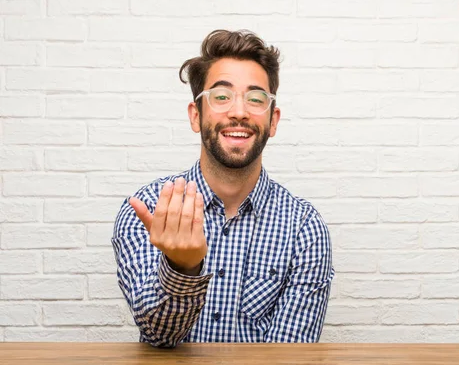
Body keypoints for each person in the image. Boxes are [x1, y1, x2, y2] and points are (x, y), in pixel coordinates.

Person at [111, 29, 335, 347]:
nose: (239, 111)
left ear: (273, 120)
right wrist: (182, 267)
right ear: (195, 115)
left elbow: (290, 361)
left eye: (256, 99)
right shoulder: (148, 209)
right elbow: (158, 336)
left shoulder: (304, 227)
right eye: (221, 97)